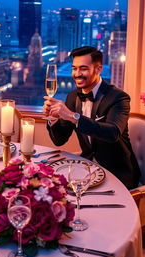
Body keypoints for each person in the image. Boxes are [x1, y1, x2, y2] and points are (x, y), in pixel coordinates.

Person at [43, 46, 140, 189]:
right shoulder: (72, 97)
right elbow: (59, 140)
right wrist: (53, 119)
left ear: (98, 69)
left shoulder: (118, 98)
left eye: (83, 69)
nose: (77, 74)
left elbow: (113, 133)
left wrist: (73, 116)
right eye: (74, 68)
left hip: (118, 174)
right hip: (87, 169)